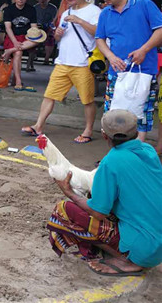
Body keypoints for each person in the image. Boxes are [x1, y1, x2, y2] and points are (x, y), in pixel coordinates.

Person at [47, 110, 162, 276]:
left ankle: (127, 261)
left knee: (64, 209)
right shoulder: (149, 150)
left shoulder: (111, 161)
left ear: (104, 135)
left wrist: (69, 192)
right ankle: (128, 250)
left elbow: (98, 212)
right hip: (157, 245)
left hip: (145, 249)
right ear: (137, 132)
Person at [21, 0, 101, 143]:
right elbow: (59, 38)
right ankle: (38, 126)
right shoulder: (66, 12)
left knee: (87, 100)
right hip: (63, 61)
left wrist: (79, 21)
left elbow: (98, 32)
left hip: (83, 63)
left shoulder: (94, 11)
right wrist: (57, 35)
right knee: (49, 95)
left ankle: (87, 131)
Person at [95, 0, 162, 141]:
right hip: (116, 70)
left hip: (144, 71)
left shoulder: (144, 4)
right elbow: (99, 39)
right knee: (113, 114)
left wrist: (144, 50)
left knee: (141, 113)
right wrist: (110, 57)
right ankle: (115, 152)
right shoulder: (105, 13)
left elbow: (160, 30)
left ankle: (136, 152)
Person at [3, 0, 38, 91]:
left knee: (38, 40)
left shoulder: (31, 9)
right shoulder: (9, 10)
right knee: (18, 53)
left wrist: (34, 36)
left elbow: (34, 27)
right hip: (12, 36)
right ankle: (18, 80)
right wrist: (15, 42)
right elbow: (8, 28)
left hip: (26, 37)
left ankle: (11, 50)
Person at [29, 0, 58, 68]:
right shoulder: (35, 7)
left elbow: (54, 20)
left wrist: (50, 28)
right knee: (32, 36)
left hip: (48, 26)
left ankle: (47, 58)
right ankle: (32, 56)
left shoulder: (53, 8)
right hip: (37, 27)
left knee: (50, 38)